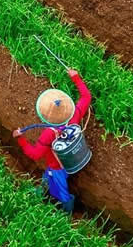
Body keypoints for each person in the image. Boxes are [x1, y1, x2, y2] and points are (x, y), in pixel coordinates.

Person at [13, 68, 91, 214]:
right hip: (74, 158)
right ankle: (40, 192)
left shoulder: (49, 133)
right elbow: (86, 97)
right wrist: (76, 78)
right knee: (47, 178)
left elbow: (35, 154)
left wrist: (20, 139)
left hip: (58, 168)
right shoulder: (74, 116)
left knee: (62, 192)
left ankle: (67, 213)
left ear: (45, 117)